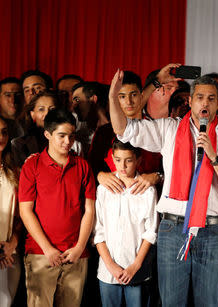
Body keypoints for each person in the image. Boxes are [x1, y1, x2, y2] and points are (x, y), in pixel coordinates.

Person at [109, 66, 218, 306]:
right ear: (191, 101)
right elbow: (124, 130)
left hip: (212, 230)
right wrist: (113, 98)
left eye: (211, 98)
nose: (205, 103)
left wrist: (214, 158)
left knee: (208, 302)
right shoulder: (169, 128)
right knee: (171, 301)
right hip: (174, 228)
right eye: (200, 97)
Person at [19, 108, 96, 307]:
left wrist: (79, 247)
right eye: (61, 136)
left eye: (71, 136)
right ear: (47, 134)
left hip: (75, 254)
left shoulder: (82, 166)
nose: (67, 142)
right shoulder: (32, 165)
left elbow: (90, 210)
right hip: (40, 253)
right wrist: (48, 249)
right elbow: (25, 210)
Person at [94, 140, 158, 307]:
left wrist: (135, 265)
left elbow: (151, 232)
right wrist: (110, 265)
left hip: (137, 270)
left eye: (128, 160)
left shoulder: (148, 191)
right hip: (108, 272)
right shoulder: (103, 189)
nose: (122, 166)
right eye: (117, 160)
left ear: (138, 161)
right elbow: (98, 231)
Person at [12, 91, 82, 167]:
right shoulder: (19, 144)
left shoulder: (75, 145)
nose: (47, 114)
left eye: (52, 109)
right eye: (41, 109)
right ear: (33, 114)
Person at [0, 116, 21, 307]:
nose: (1, 137)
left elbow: (20, 217)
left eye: (4, 132)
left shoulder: (14, 171)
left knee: (6, 300)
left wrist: (11, 244)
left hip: (7, 252)